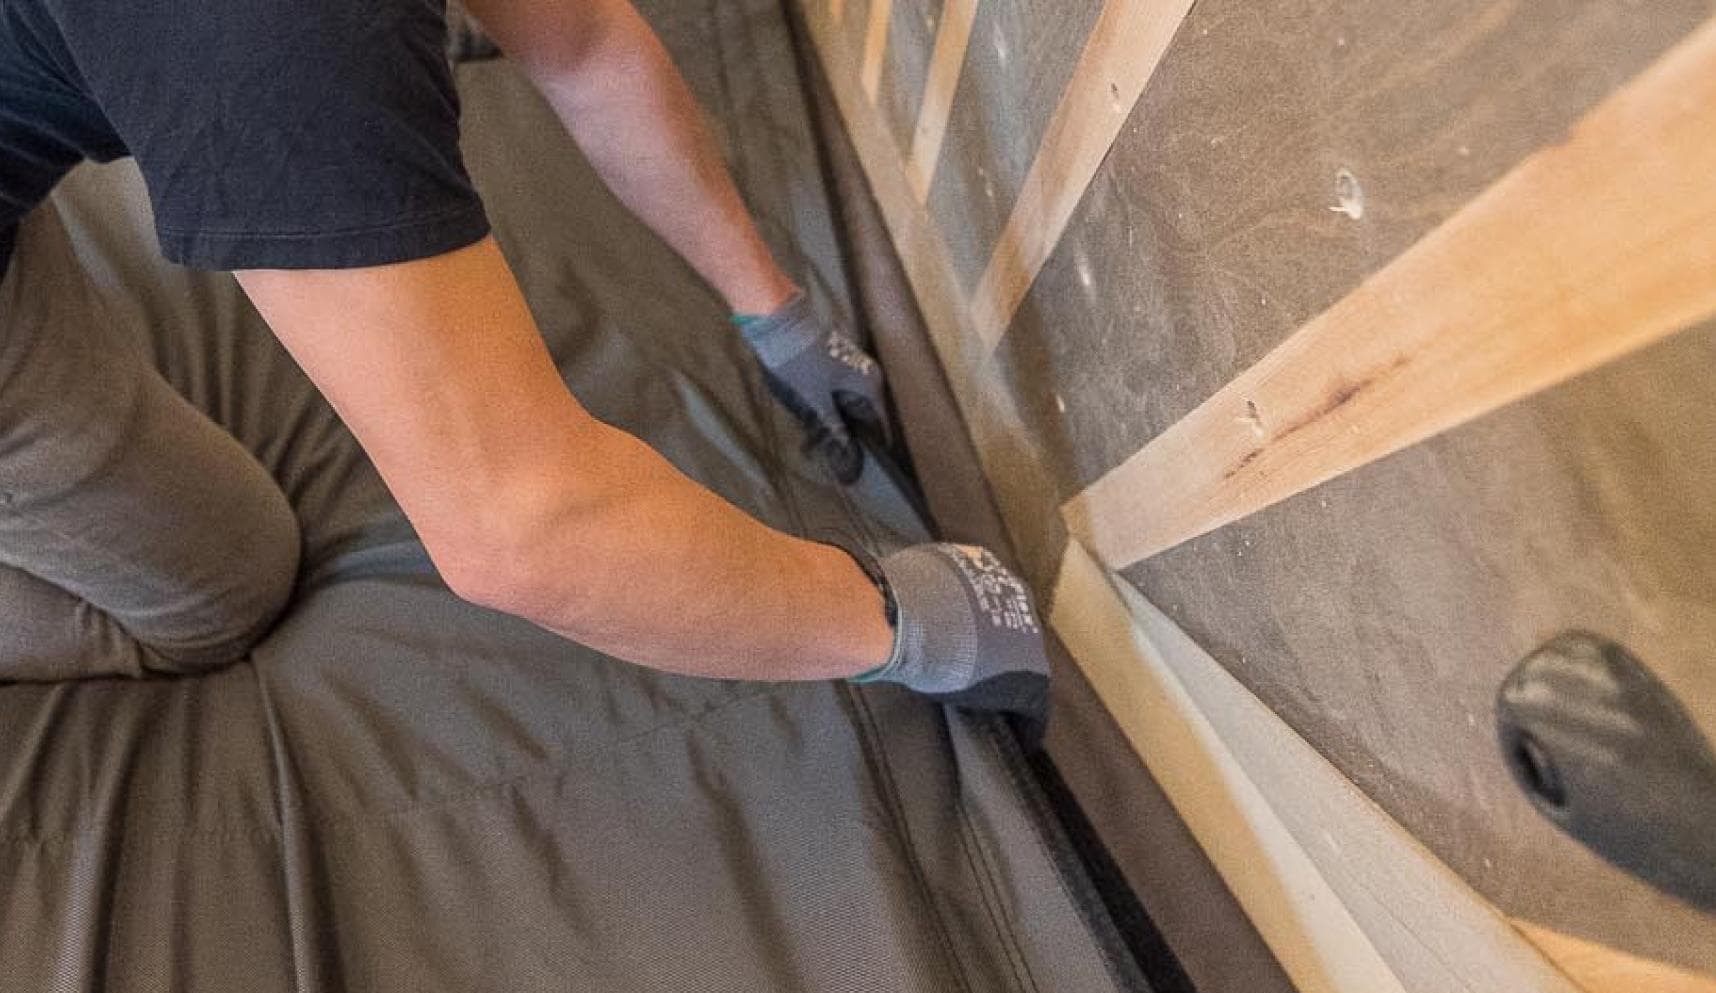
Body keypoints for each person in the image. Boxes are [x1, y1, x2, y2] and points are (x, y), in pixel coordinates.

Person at [0, 0, 1048, 711]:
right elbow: (521, 530)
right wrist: (909, 620)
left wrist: (770, 308)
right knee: (227, 580)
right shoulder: (265, 38)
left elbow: (586, 43)